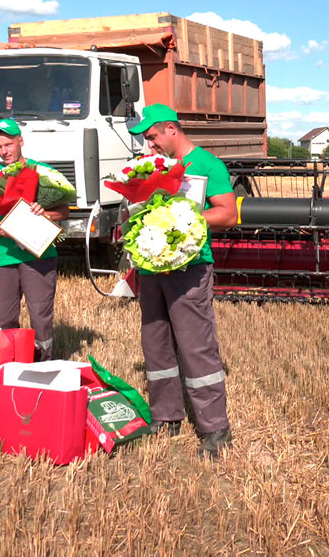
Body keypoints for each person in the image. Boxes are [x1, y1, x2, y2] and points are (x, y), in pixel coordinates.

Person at [128, 103, 237, 459]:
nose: (150, 144)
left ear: (171, 129)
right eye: (147, 139)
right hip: (152, 268)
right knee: (155, 343)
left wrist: (184, 217)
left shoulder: (208, 165)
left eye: (153, 136)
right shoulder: (154, 168)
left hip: (189, 268)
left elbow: (228, 213)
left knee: (195, 345)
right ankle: (167, 415)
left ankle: (215, 428)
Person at [0, 118, 70, 362]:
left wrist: (44, 212)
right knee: (1, 318)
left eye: (8, 144)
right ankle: (7, 367)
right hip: (5, 257)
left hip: (40, 255)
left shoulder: (43, 173)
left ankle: (43, 365)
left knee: (40, 316)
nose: (4, 151)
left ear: (21, 141)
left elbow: (64, 211)